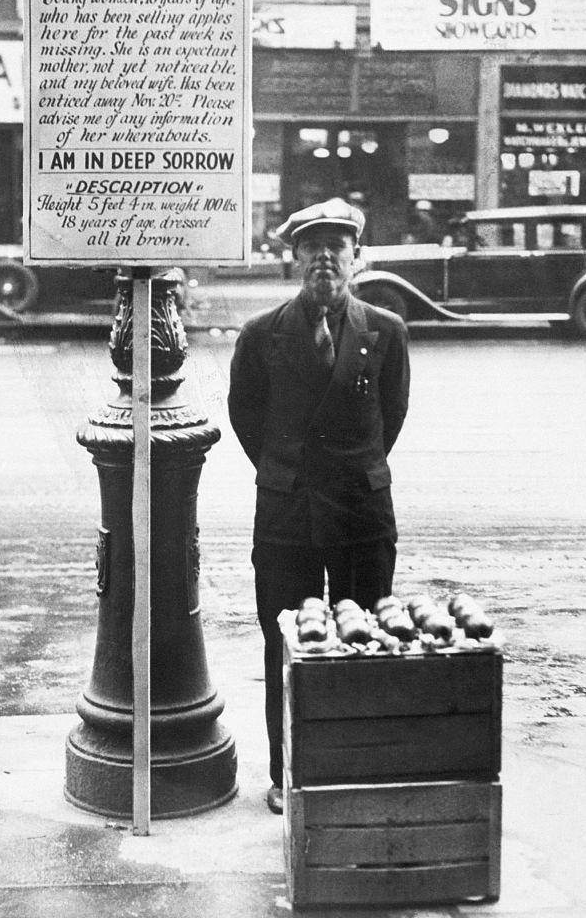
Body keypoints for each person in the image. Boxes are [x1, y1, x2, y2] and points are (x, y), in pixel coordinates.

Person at [227, 198, 410, 814]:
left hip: (361, 510)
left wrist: (352, 468)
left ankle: (355, 767)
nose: (324, 259)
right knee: (286, 643)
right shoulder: (262, 335)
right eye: (312, 248)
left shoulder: (386, 331)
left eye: (337, 247)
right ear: (294, 257)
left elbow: (392, 415)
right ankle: (289, 774)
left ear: (356, 258)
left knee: (363, 640)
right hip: (287, 514)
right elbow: (246, 415)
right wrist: (285, 472)